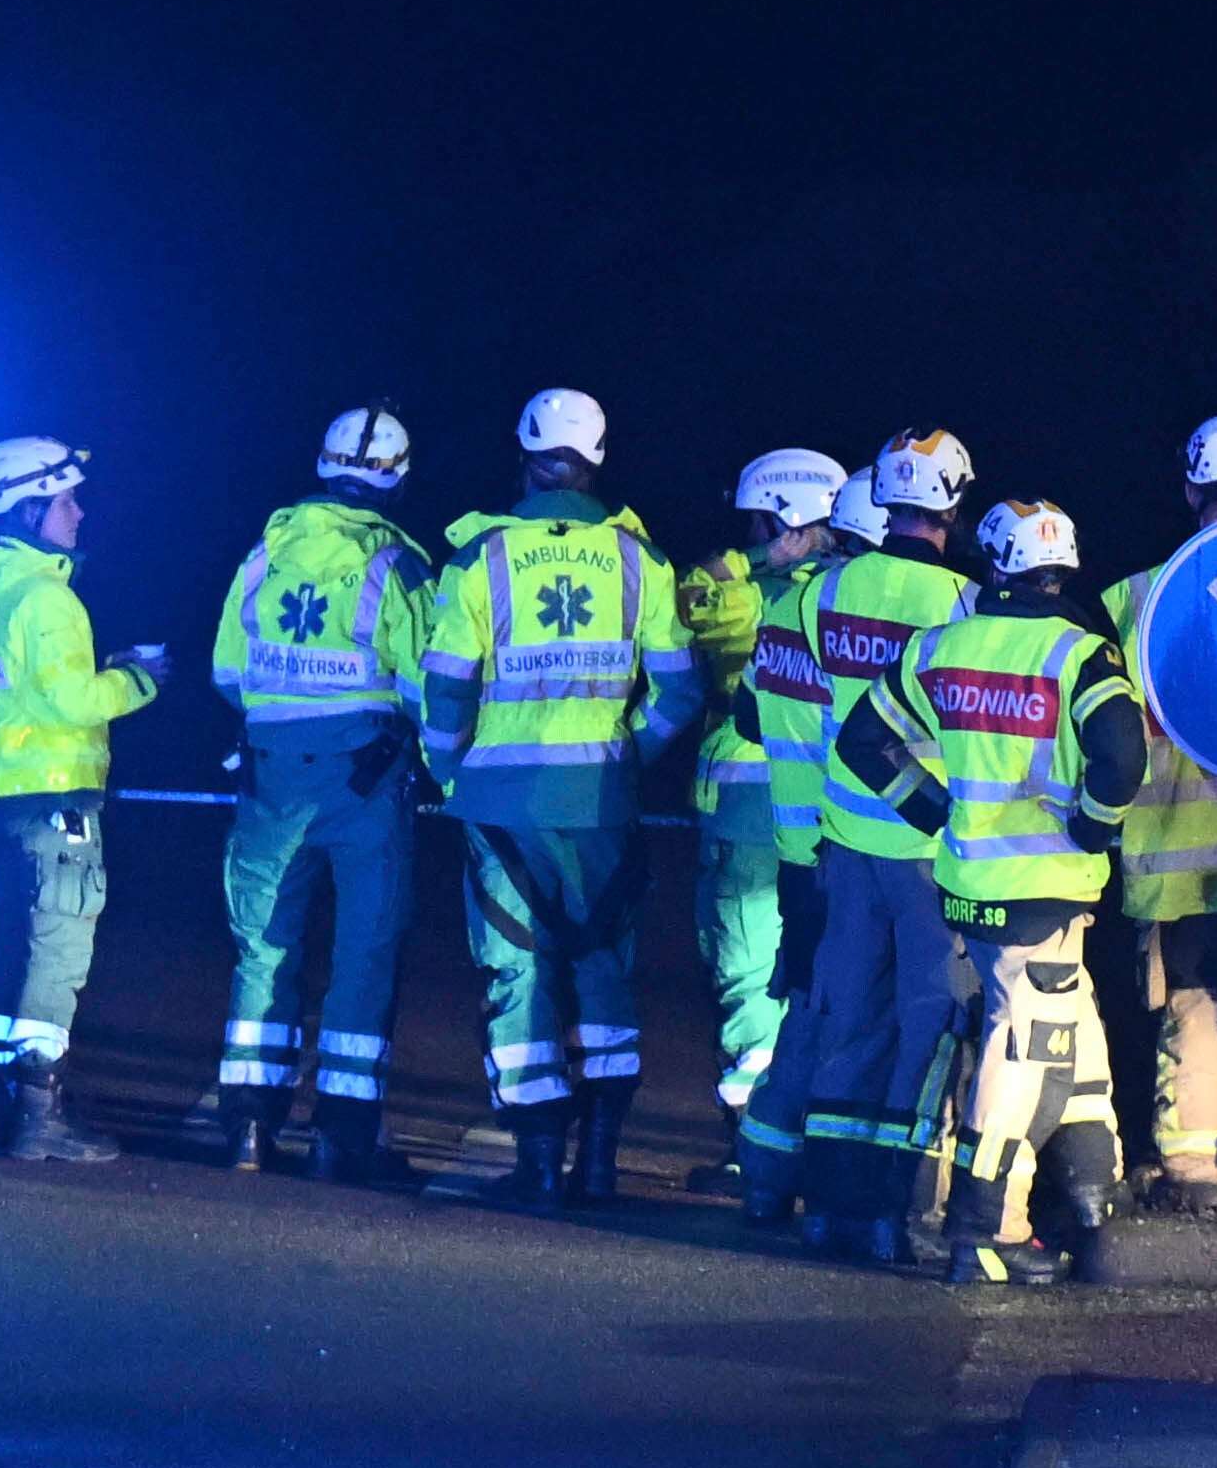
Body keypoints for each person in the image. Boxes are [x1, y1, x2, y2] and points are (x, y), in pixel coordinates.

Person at [419, 386, 685, 1208]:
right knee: (604, 967)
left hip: (500, 804)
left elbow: (445, 692)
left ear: (524, 453)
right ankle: (599, 1164)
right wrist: (625, 757)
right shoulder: (641, 560)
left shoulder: (480, 559)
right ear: (598, 458)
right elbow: (678, 693)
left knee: (517, 972)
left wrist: (450, 772)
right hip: (603, 801)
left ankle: (537, 1167)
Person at [177, 402, 436, 1177]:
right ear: (396, 477)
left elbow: (228, 672)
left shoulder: (266, 552)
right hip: (367, 782)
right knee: (364, 952)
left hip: (270, 777)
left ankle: (249, 1128)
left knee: (263, 950)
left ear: (324, 465)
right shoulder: (398, 564)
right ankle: (343, 1135)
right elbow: (429, 684)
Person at [902, 496, 1149, 1285]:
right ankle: (984, 1233)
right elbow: (1121, 755)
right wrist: (1094, 826)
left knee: (1076, 1047)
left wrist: (932, 808)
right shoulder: (1080, 656)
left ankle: (1088, 1212)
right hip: (1044, 892)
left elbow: (864, 739)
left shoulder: (944, 646)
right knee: (1026, 1056)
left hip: (971, 884)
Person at [769, 430, 977, 1256]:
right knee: (925, 1030)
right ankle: (894, 1216)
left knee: (847, 1023)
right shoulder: (963, 603)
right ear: (953, 505)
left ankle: (826, 1207)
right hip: (931, 847)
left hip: (845, 839)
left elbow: (818, 716)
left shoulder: (828, 592)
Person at [1090, 416, 1217, 1209]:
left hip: (1172, 861)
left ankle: (1194, 1174)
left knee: (1193, 1016)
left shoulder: (1132, 600)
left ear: (1189, 490)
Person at [0, 434, 158, 1165]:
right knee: (60, 943)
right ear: (29, 507)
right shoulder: (48, 597)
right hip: (53, 795)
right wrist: (138, 679)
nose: (77, 513)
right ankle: (40, 1116)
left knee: (13, 941)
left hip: (2, 792)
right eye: (65, 500)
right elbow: (73, 699)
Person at [679, 446, 847, 1165]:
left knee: (746, 962)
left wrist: (759, 559)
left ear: (789, 524)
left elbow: (687, 597)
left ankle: (757, 1136)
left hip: (750, 803)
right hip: (838, 806)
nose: (746, 537)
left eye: (758, 524)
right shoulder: (851, 594)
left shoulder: (747, 594)